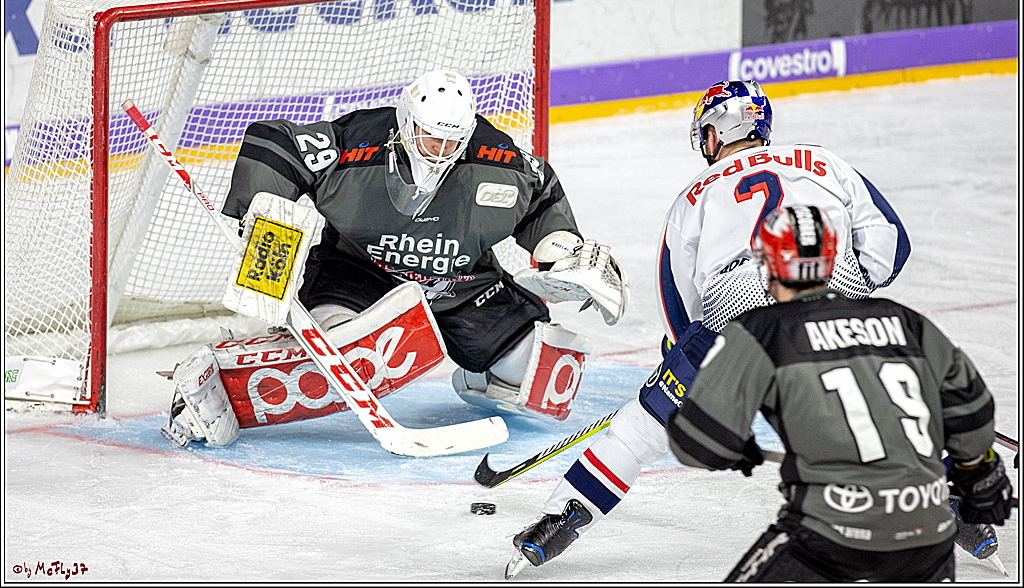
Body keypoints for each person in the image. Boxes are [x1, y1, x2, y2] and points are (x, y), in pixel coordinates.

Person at [505, 80, 911, 578]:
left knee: (638, 434)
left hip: (735, 325)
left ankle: (557, 525)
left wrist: (686, 353)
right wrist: (849, 293)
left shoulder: (693, 196)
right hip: (831, 307)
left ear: (716, 132)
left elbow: (680, 301)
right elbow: (892, 243)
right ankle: (954, 510)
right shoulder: (824, 161)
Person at [159, 69, 628, 447]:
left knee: (548, 379)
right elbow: (275, 144)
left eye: (452, 141)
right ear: (407, 124)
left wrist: (563, 250)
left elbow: (541, 196)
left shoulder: (497, 160)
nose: (442, 152)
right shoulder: (357, 142)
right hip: (359, 276)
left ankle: (477, 373)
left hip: (459, 284)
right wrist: (263, 219)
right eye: (430, 139)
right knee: (344, 355)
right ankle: (224, 376)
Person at [666, 204, 1014, 582]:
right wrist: (975, 473)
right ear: (833, 260)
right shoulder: (906, 321)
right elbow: (974, 413)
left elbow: (696, 443)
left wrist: (736, 448)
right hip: (927, 538)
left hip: (828, 540)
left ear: (767, 265)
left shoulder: (759, 332)